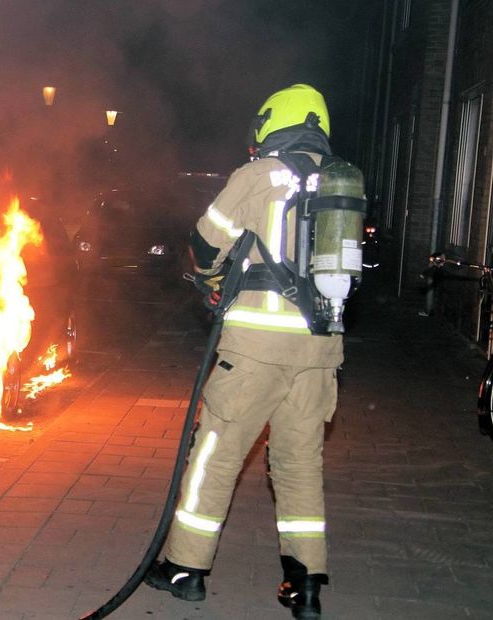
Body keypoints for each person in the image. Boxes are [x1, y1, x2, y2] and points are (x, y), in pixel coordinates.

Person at [144, 84, 340, 620]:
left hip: (255, 348)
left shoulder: (258, 176)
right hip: (320, 353)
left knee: (216, 457)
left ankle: (185, 569)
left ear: (271, 122)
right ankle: (305, 586)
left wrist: (211, 279)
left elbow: (208, 242)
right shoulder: (343, 181)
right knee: (300, 466)